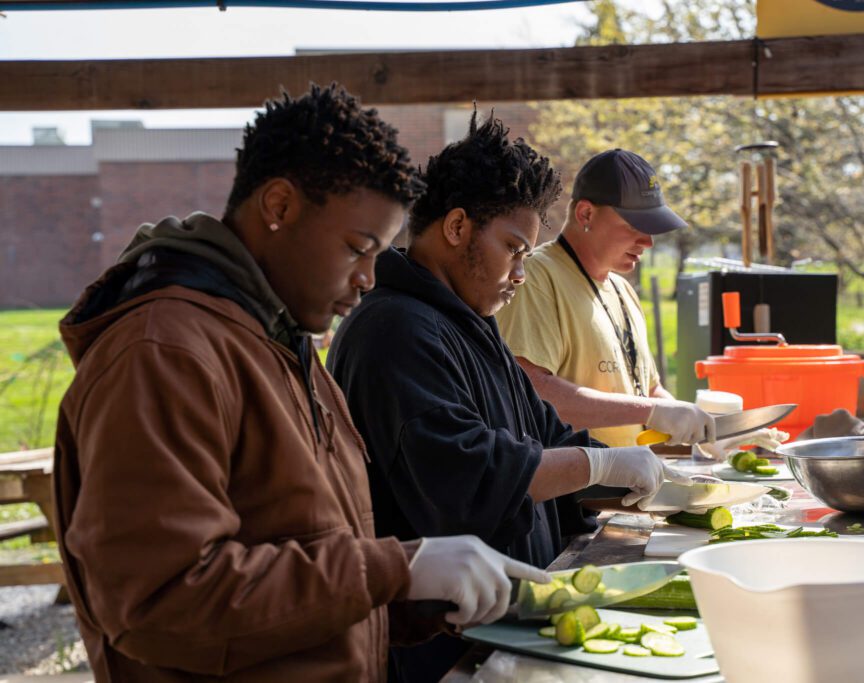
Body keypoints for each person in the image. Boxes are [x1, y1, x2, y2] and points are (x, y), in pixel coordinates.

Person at [51, 84, 549, 683]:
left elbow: (304, 556)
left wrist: (421, 597)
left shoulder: (285, 345)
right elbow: (159, 601)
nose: (369, 278)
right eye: (358, 248)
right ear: (280, 206)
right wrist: (396, 570)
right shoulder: (163, 353)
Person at [327, 114, 680, 682]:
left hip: (509, 626)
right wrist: (599, 464)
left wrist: (636, 483)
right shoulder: (396, 330)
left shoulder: (471, 323)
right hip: (439, 649)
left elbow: (545, 433)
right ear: (457, 226)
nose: (520, 274)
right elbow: (466, 473)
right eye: (514, 250)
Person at [495, 149, 716, 448]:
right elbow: (530, 392)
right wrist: (652, 411)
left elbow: (648, 391)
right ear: (586, 214)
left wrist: (695, 423)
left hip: (630, 475)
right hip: (575, 478)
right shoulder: (536, 278)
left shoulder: (623, 291)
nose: (648, 242)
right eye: (635, 226)